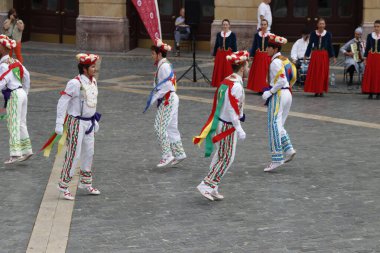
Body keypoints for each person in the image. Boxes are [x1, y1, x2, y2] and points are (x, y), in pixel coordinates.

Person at [194, 51, 249, 201]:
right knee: (227, 158)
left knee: (220, 155)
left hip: (221, 122)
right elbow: (232, 109)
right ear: (242, 67)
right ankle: (207, 185)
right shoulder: (236, 85)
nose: (248, 67)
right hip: (228, 126)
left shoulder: (227, 80)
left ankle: (213, 187)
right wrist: (239, 128)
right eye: (247, 64)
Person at [55, 53, 101, 200]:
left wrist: (94, 120)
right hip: (76, 122)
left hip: (89, 122)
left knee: (89, 152)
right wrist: (59, 123)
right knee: (74, 154)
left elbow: (92, 101)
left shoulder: (93, 81)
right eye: (92, 67)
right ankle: (64, 185)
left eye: (95, 66)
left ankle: (86, 182)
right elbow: (62, 102)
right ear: (84, 68)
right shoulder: (74, 83)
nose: (95, 69)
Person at [144, 39, 186, 167]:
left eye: (153, 53)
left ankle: (167, 155)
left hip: (168, 99)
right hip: (170, 98)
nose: (151, 56)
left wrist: (154, 97)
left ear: (159, 54)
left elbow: (166, 86)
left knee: (159, 127)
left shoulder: (164, 66)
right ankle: (179, 153)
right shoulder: (164, 65)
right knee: (171, 128)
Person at [261, 34, 296, 172]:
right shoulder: (285, 59)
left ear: (275, 49)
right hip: (287, 93)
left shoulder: (275, 62)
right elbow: (292, 75)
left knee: (273, 124)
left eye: (269, 47)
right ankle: (289, 149)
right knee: (279, 124)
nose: (267, 50)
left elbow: (281, 80)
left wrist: (270, 92)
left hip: (279, 93)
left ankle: (277, 158)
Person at [0, 34, 32, 164]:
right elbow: (27, 75)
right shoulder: (15, 61)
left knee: (13, 123)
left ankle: (15, 154)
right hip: (21, 93)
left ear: (2, 48)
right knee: (21, 123)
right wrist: (25, 91)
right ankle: (27, 150)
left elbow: (3, 80)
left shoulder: (3, 65)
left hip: (13, 94)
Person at [304, 18, 336, 97]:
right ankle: (316, 90)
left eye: (323, 24)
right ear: (317, 25)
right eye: (320, 24)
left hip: (324, 55)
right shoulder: (313, 34)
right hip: (315, 54)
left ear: (325, 25)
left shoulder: (328, 34)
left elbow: (329, 46)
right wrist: (306, 54)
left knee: (322, 73)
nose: (321, 25)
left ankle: (321, 90)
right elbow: (310, 45)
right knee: (315, 72)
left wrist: (333, 56)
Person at [211, 19, 237, 87]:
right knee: (220, 70)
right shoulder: (219, 34)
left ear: (229, 26)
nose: (225, 26)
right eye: (224, 25)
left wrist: (235, 55)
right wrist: (214, 55)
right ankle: (219, 84)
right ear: (222, 26)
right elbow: (216, 45)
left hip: (228, 55)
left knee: (228, 70)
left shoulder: (232, 34)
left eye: (226, 25)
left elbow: (234, 46)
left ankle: (228, 84)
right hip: (220, 55)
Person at [247, 19, 271, 93]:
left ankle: (266, 87)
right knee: (259, 73)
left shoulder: (270, 35)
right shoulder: (257, 35)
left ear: (267, 25)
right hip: (258, 56)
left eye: (265, 24)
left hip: (267, 56)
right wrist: (252, 55)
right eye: (262, 24)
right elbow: (254, 45)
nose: (263, 26)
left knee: (266, 73)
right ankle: (259, 88)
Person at [362, 20, 380, 99]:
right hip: (371, 57)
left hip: (379, 58)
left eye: (378, 26)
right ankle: (370, 92)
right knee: (371, 74)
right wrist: (365, 58)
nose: (376, 28)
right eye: (375, 26)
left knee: (378, 75)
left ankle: (378, 93)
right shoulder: (370, 35)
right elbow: (367, 48)